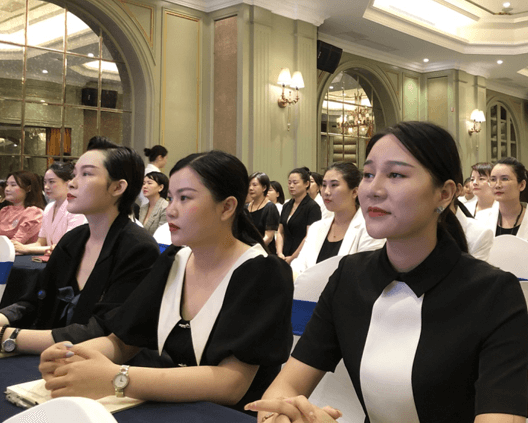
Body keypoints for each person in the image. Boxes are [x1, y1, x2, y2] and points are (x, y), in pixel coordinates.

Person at [246, 121, 528, 423]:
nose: (373, 190)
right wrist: (282, 417)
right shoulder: (349, 277)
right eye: (368, 175)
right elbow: (284, 390)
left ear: (445, 193)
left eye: (395, 175)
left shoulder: (494, 294)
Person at [39, 150, 293, 413]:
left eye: (185, 198)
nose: (170, 210)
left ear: (227, 207)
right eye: (171, 198)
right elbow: (123, 341)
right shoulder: (174, 260)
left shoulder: (264, 273)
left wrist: (118, 378)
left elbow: (230, 384)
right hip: (165, 408)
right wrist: (71, 356)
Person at [0, 136, 159, 355]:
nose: (72, 183)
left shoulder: (138, 249)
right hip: (49, 355)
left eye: (86, 174)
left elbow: (102, 331)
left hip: (92, 364)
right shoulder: (73, 240)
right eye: (75, 174)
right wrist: (3, 318)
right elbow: (34, 300)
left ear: (118, 187)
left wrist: (8, 336)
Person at [291, 162, 385, 276]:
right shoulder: (317, 228)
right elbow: (299, 265)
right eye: (324, 185)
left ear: (355, 192)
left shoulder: (370, 229)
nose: (326, 192)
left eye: (334, 185)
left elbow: (366, 273)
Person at [12, 162, 87, 255]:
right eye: (45, 182)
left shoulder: (77, 209)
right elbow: (40, 243)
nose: (46, 187)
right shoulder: (49, 208)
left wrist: (26, 249)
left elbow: (67, 246)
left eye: (51, 182)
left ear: (68, 183)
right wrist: (16, 247)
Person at [276, 168, 322, 264]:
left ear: (306, 184)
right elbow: (280, 231)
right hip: (284, 254)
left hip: (301, 257)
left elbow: (309, 236)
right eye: (289, 183)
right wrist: (279, 253)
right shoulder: (287, 205)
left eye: (295, 183)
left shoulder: (312, 207)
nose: (291, 186)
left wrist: (292, 257)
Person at [482, 157, 528, 239]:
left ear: (521, 185)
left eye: (504, 179)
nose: (497, 185)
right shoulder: (481, 218)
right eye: (493, 179)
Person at [0, 171, 45, 244]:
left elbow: (16, 243)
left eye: (13, 185)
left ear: (28, 188)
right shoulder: (4, 210)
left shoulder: (34, 212)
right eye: (7, 185)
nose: (7, 189)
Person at [246, 172, 280, 253]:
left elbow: (268, 237)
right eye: (249, 185)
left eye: (254, 185)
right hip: (246, 250)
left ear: (264, 188)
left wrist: (252, 251)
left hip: (264, 252)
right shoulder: (245, 207)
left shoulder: (270, 207)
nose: (250, 188)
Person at [139, 171, 169, 236]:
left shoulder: (165, 207)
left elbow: (162, 235)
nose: (144, 186)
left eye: (149, 183)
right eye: (143, 183)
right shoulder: (143, 207)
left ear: (161, 187)